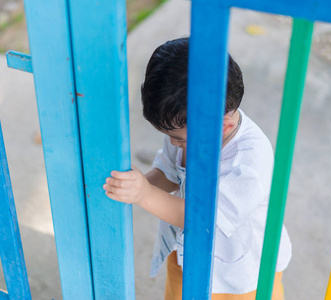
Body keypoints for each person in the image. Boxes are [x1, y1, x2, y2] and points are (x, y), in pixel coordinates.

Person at [103, 37, 291, 300]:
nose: (173, 143)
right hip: (187, 253)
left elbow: (200, 219)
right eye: (169, 135)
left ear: (223, 126)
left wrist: (144, 195)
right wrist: (137, 185)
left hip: (236, 276)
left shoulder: (248, 162)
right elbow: (168, 173)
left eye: (179, 138)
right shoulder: (187, 126)